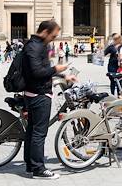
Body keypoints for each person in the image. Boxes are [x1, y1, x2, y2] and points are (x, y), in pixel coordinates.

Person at [22, 20, 76, 179]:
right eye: (53, 35)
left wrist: (64, 75)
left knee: (32, 131)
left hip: (34, 94)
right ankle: (38, 169)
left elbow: (41, 69)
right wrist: (56, 68)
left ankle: (30, 166)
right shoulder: (35, 47)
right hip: (39, 95)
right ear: (45, 32)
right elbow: (37, 72)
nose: (54, 38)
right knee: (39, 133)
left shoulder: (35, 45)